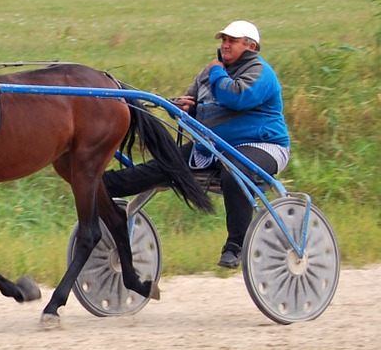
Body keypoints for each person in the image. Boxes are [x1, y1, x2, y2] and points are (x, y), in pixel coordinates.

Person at [104, 20, 290, 269]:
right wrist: (185, 109)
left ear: (251, 46)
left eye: (232, 41)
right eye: (223, 40)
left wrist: (215, 72)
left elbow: (236, 97)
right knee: (166, 164)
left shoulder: (260, 71)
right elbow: (196, 107)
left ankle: (235, 246)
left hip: (263, 146)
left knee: (234, 171)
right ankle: (104, 185)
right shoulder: (209, 73)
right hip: (214, 148)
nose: (225, 45)